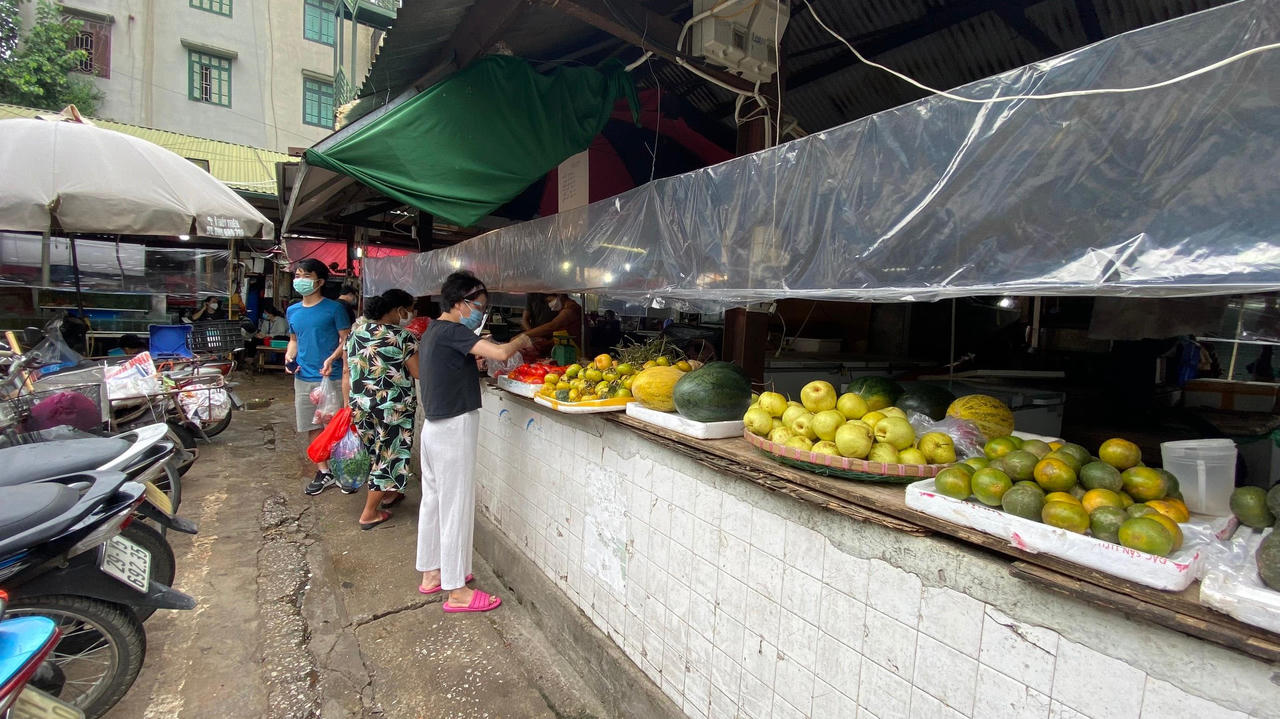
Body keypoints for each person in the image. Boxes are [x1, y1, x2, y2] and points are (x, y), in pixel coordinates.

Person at [417, 271, 532, 612]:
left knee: (435, 502)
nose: (480, 313)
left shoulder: (434, 331)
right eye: (477, 306)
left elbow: (460, 363)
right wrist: (521, 340)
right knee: (455, 506)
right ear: (458, 303)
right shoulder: (453, 330)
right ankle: (456, 591)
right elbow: (499, 354)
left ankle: (432, 574)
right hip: (454, 426)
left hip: (435, 427)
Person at [343, 289, 419, 529]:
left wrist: (347, 404)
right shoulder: (402, 337)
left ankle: (388, 494)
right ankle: (369, 514)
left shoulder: (356, 334)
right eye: (408, 309)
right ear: (398, 310)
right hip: (392, 409)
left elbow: (347, 371)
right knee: (389, 457)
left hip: (361, 406)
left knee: (374, 454)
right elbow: (418, 372)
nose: (409, 314)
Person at [285, 258, 353, 496]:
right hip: (303, 377)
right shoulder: (292, 311)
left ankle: (341, 469)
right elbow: (294, 341)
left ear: (320, 281)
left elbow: (346, 340)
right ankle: (323, 471)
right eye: (298, 276)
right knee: (312, 426)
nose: (300, 281)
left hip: (331, 377)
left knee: (336, 426)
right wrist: (288, 359)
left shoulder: (334, 309)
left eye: (306, 276)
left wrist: (332, 358)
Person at [522, 292, 582, 358]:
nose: (549, 305)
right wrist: (547, 343)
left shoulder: (571, 309)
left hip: (576, 350)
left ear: (560, 296)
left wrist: (522, 336)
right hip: (567, 349)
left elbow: (552, 326)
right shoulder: (563, 309)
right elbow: (561, 333)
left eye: (550, 301)